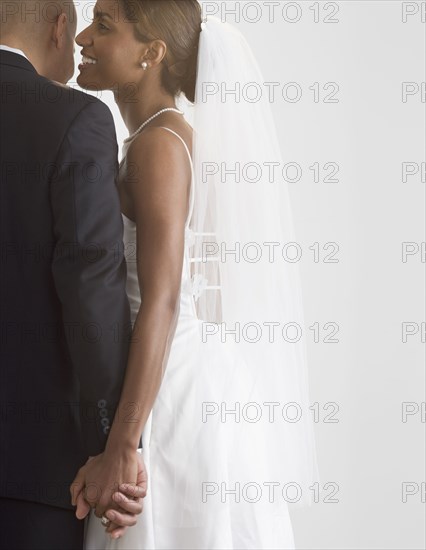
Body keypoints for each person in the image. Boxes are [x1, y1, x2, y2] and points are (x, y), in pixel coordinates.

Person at [75, 1, 319, 548]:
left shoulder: (160, 146)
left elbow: (163, 301)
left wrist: (123, 444)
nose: (83, 37)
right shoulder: (166, 137)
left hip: (171, 395)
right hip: (189, 374)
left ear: (152, 53)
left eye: (105, 26)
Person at [0, 1, 147, 548]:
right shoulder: (73, 118)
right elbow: (93, 289)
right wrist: (113, 444)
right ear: (58, 27)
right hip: (31, 468)